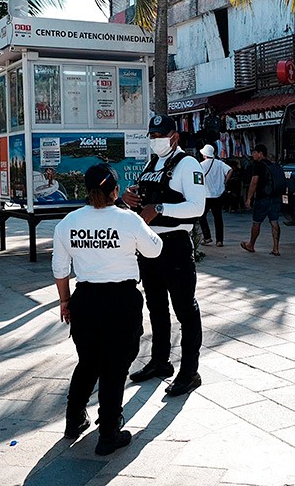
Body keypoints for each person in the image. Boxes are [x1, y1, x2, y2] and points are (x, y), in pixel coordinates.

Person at [53, 163, 162, 455]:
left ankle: (74, 419)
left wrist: (65, 301)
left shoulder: (67, 223)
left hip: (85, 299)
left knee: (88, 362)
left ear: (86, 191)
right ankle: (109, 433)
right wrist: (144, 223)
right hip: (120, 300)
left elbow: (60, 270)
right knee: (115, 366)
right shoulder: (128, 220)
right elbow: (154, 249)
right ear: (115, 190)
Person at [122, 115, 206, 397]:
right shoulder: (153, 163)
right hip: (149, 245)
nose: (155, 139)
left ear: (174, 136)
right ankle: (160, 361)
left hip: (175, 245)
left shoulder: (187, 164)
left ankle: (190, 372)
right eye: (152, 135)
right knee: (156, 306)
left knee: (185, 309)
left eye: (161, 134)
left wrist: (159, 208)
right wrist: (130, 197)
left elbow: (197, 207)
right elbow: (144, 196)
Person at [241, 144, 282, 256]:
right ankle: (276, 248)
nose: (253, 154)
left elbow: (254, 182)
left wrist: (249, 198)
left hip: (262, 198)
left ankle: (251, 245)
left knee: (256, 222)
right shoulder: (273, 165)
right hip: (275, 198)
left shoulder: (258, 165)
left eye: (254, 152)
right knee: (274, 222)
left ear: (260, 153)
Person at [197, 144, 232, 247]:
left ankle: (207, 237)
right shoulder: (220, 163)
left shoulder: (201, 165)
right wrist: (225, 182)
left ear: (204, 154)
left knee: (201, 216)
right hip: (218, 194)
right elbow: (230, 170)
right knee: (218, 218)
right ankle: (219, 240)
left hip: (206, 195)